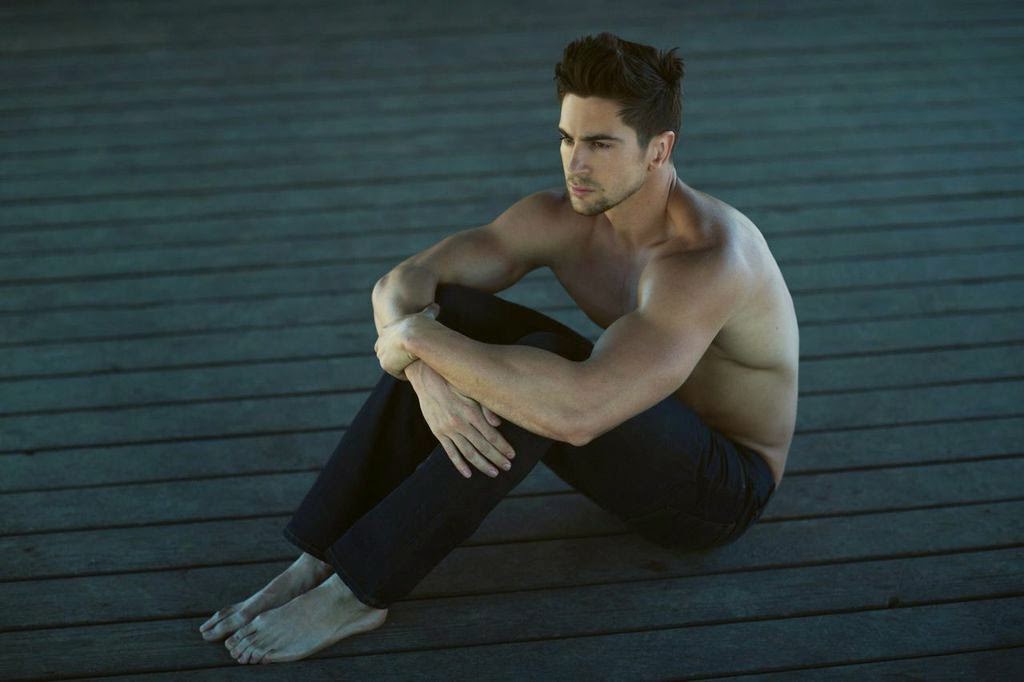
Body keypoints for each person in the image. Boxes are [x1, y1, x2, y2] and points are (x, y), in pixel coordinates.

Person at [200, 31, 799, 665]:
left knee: (543, 372)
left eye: (600, 144)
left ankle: (358, 590)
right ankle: (319, 556)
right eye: (567, 138)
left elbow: (579, 412)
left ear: (659, 149)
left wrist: (415, 339)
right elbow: (403, 282)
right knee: (462, 312)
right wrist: (427, 377)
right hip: (629, 421)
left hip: (718, 491)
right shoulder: (563, 218)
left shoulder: (706, 261)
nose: (576, 163)